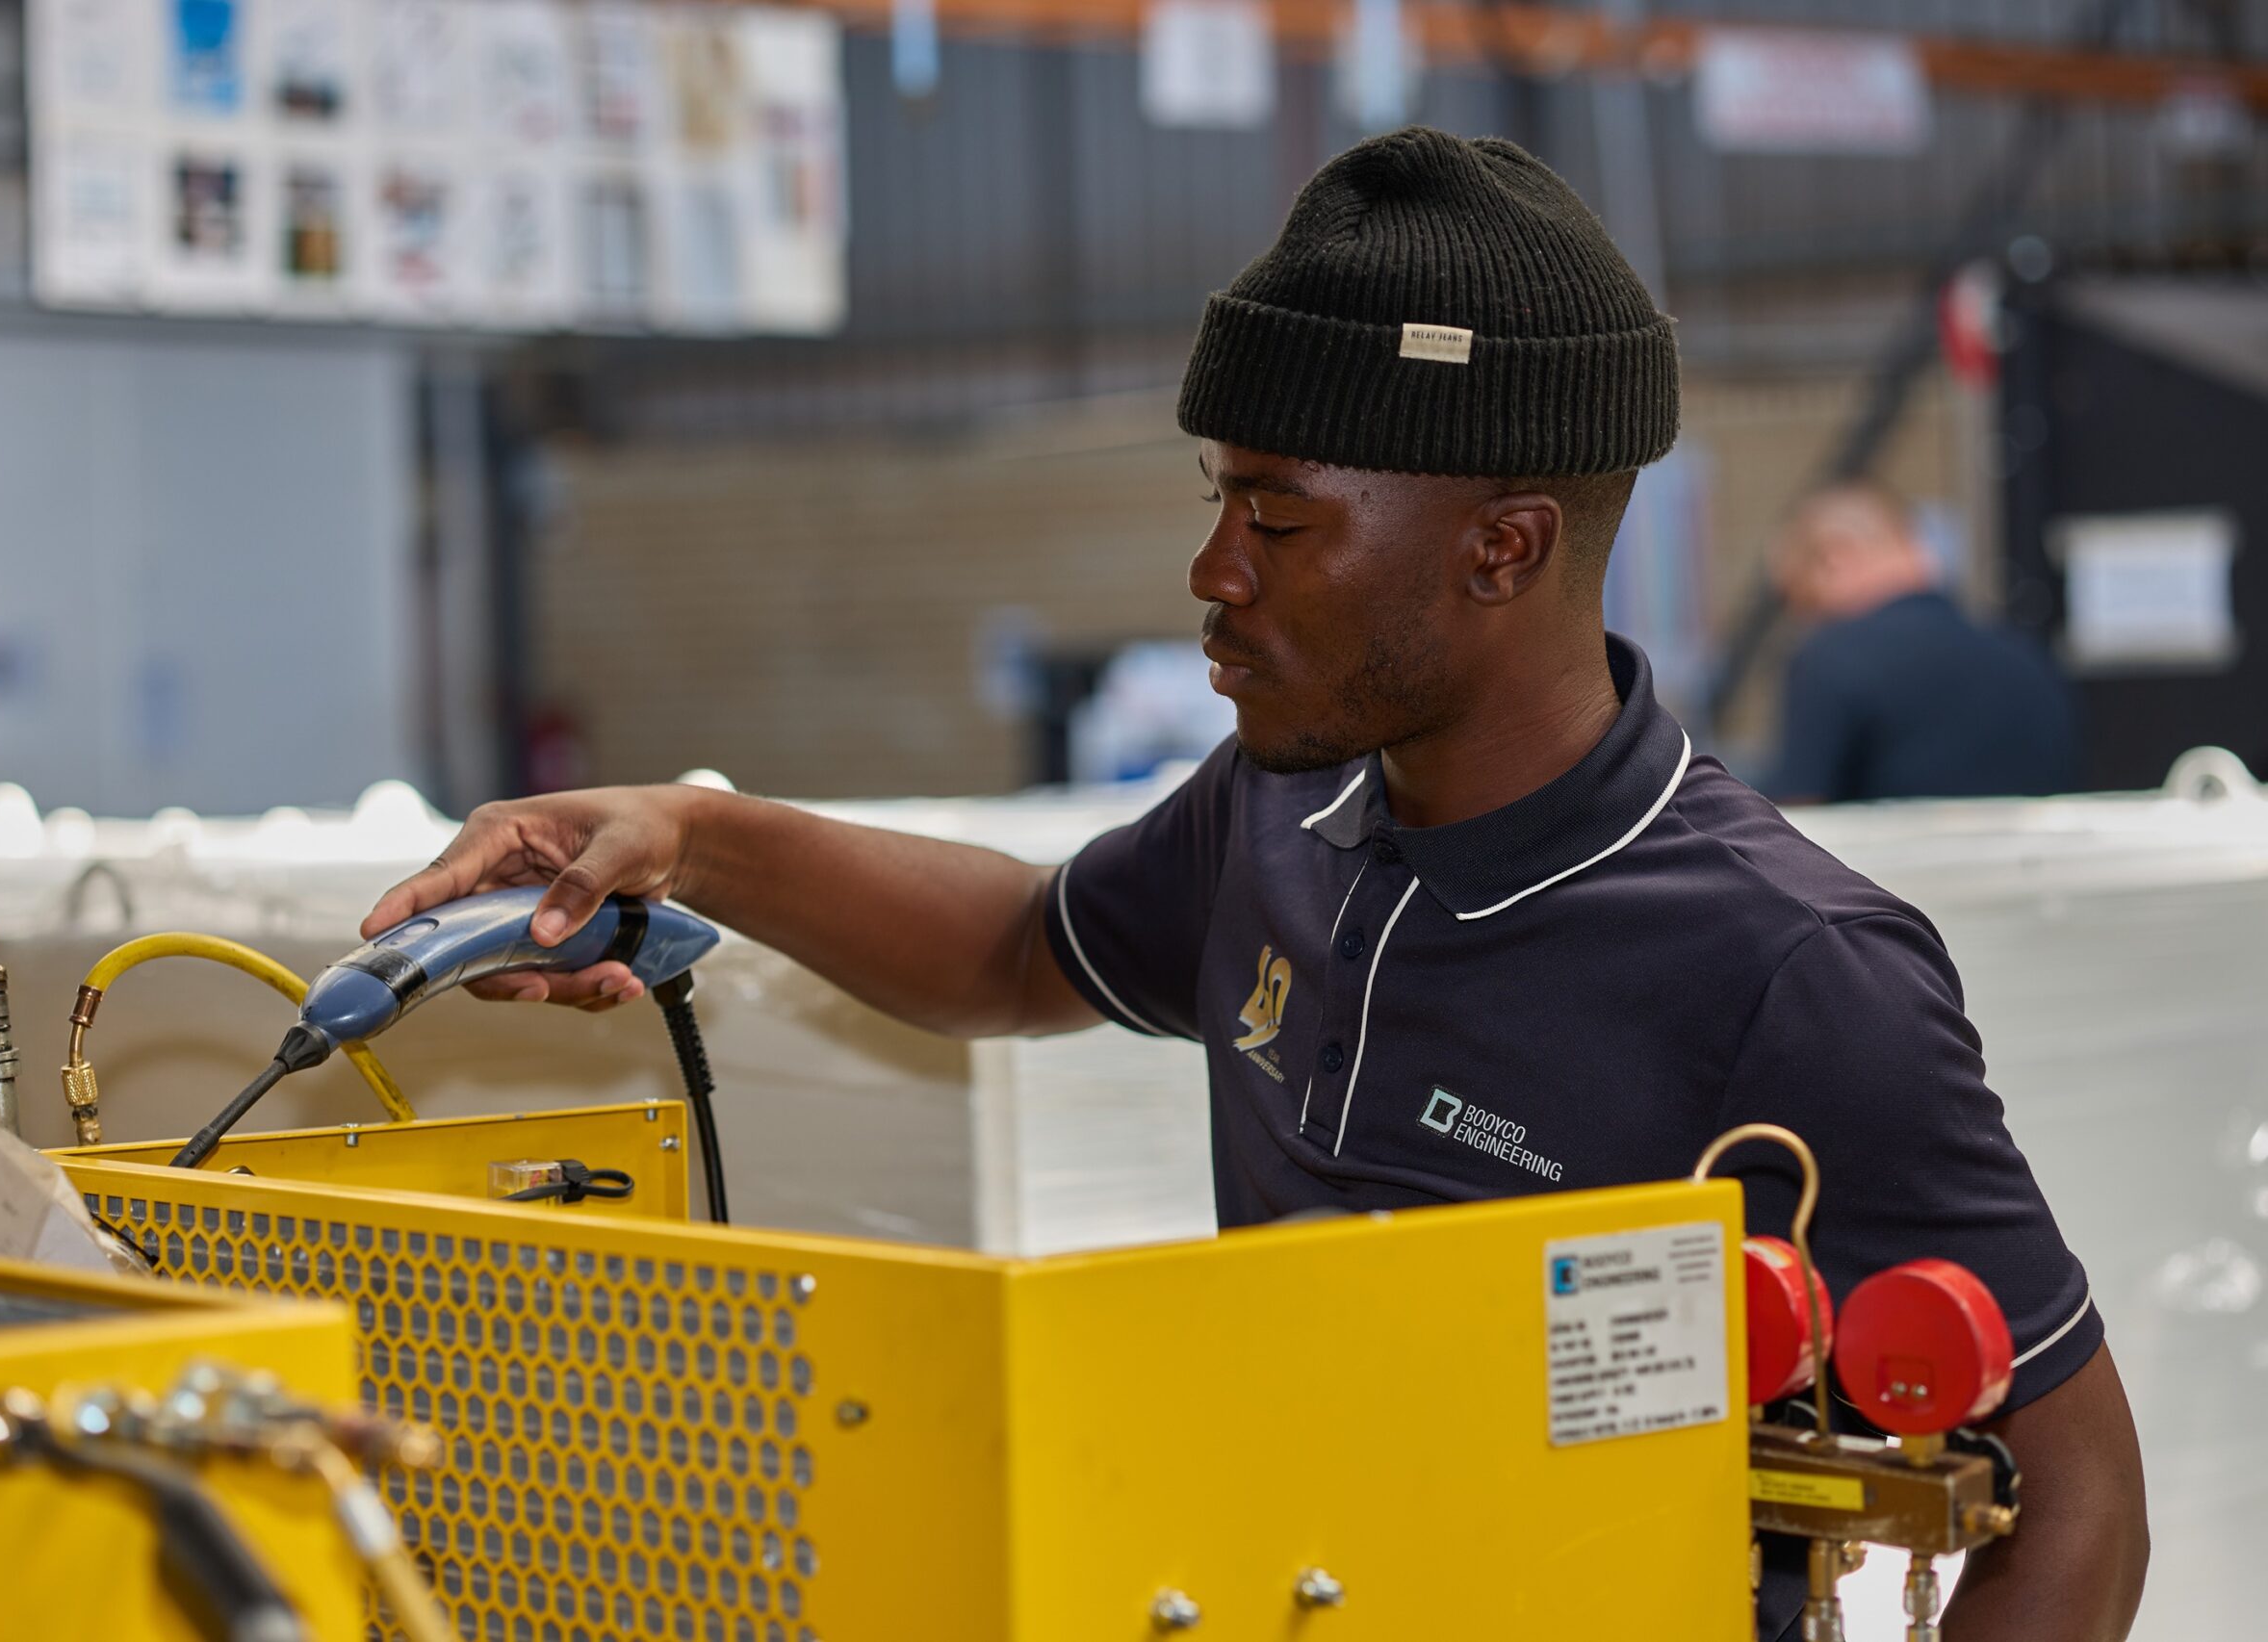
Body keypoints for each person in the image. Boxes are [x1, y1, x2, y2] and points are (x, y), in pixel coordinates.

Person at [368, 131, 2146, 1640]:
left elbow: (2077, 1509)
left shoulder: (1789, 968)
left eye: (1279, 519)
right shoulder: (1283, 815)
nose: (1213, 569)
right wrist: (693, 835)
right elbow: (1018, 950)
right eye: (1219, 500)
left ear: (1504, 547)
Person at [1767, 482, 2079, 803]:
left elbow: (1796, 811)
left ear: (1836, 558)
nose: (1804, 620)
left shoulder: (1830, 658)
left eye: (1801, 598)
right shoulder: (2026, 658)